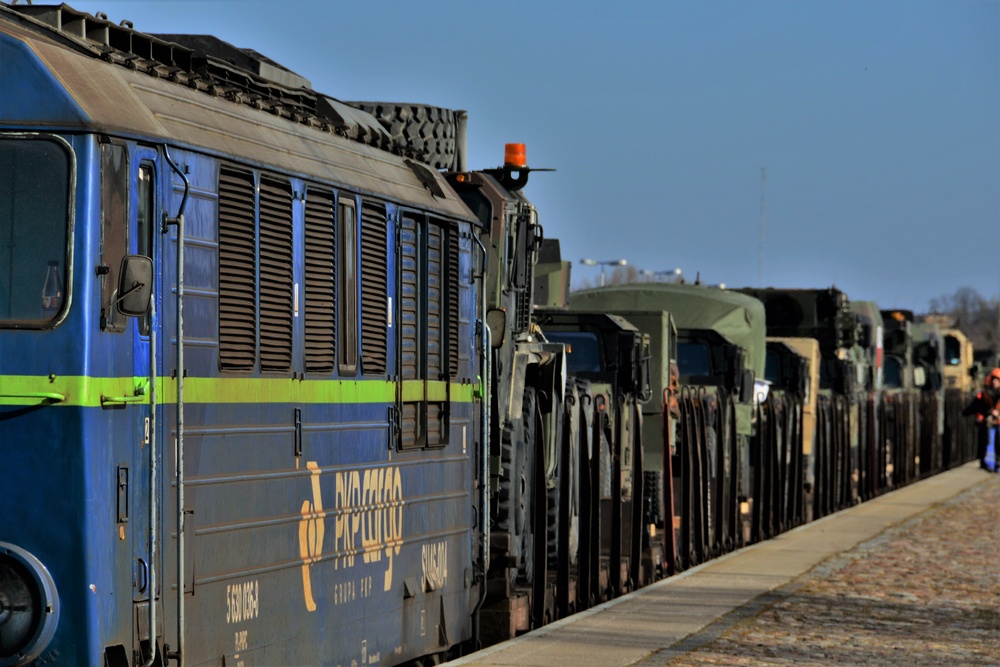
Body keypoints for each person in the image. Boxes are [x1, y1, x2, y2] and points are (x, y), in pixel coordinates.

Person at [962, 367, 1000, 472]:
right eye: (993, 380)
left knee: (997, 444)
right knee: (986, 442)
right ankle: (986, 463)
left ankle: (996, 464)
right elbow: (976, 406)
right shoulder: (984, 395)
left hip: (997, 423)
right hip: (987, 423)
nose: (994, 382)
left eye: (997, 380)